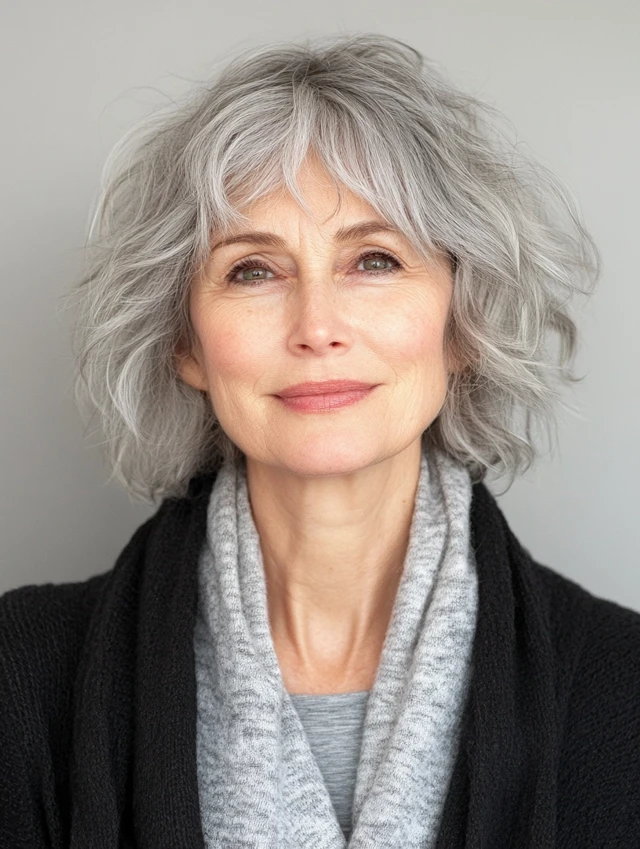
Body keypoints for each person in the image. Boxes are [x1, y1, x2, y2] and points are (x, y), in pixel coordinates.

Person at [1, 32, 638, 849]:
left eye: (374, 260)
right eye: (253, 271)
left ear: (462, 322)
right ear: (186, 344)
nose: (317, 327)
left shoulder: (623, 689)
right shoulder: (24, 681)